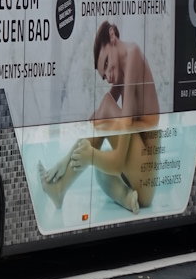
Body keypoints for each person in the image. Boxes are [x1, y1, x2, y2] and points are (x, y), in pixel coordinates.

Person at [38, 21, 161, 214]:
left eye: (106, 63)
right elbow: (95, 122)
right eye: (105, 77)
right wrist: (67, 158)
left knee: (105, 105)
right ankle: (127, 197)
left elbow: (118, 161)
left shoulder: (133, 54)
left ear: (112, 36)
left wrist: (90, 156)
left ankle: (60, 187)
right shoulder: (124, 71)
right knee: (100, 172)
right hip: (140, 180)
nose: (109, 78)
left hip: (146, 173)